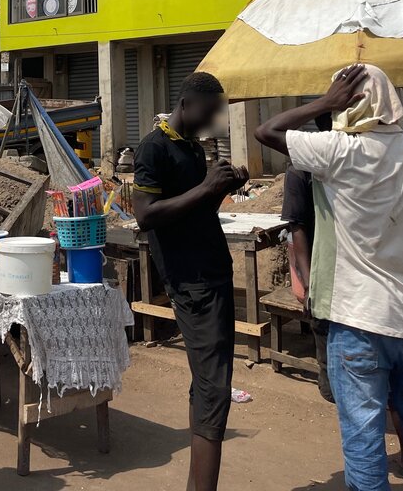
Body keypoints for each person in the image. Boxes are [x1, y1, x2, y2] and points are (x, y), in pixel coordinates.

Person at [256, 64, 403, 491]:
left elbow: (266, 131)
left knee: (364, 440)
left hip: (357, 320)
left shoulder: (340, 151)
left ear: (348, 102)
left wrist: (324, 103)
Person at [133, 72, 248, 491]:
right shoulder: (154, 147)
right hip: (192, 281)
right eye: (210, 110)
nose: (213, 119)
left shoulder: (192, 148)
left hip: (211, 271)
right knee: (216, 390)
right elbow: (145, 215)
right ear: (187, 103)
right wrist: (206, 189)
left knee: (207, 385)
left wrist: (222, 187)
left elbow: (196, 210)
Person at [282, 111, 334, 403]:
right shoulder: (302, 169)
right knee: (326, 338)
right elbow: (297, 227)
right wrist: (310, 280)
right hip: (320, 271)